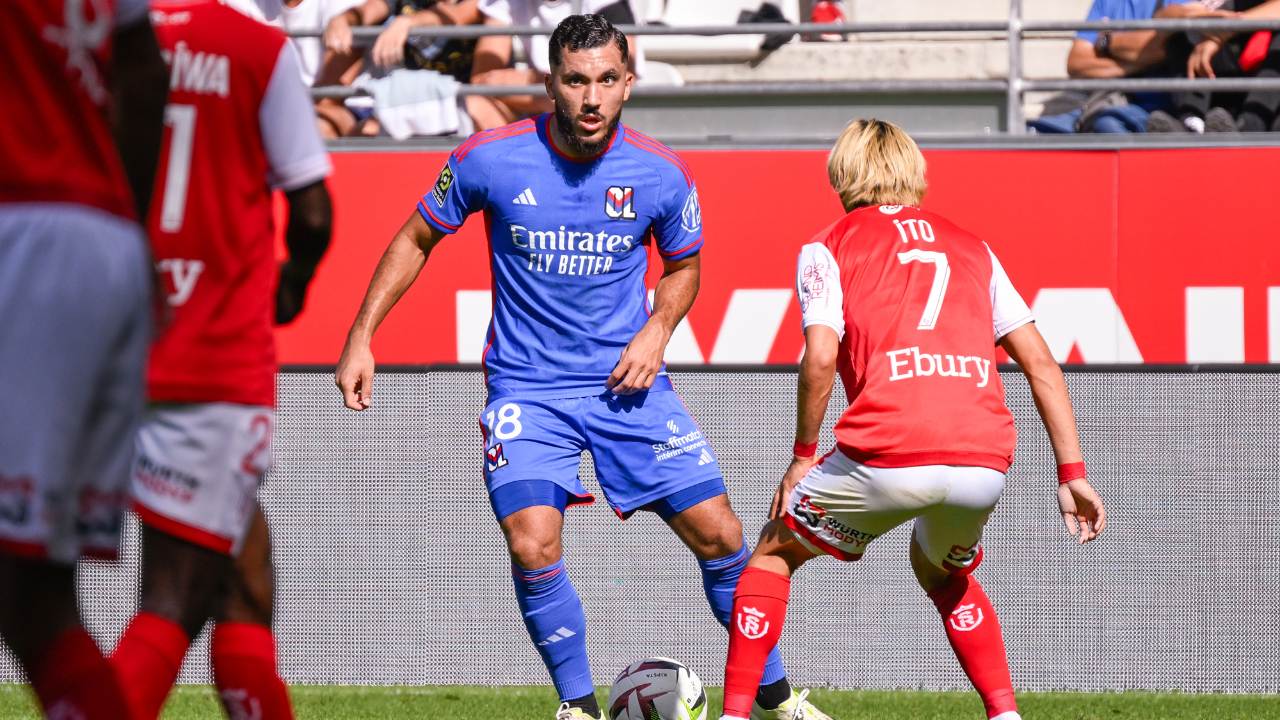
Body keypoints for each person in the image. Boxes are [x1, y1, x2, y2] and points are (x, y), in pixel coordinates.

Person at [335, 14, 829, 720]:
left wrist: (659, 327)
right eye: (575, 81)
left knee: (721, 534)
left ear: (629, 83)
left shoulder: (660, 172)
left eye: (605, 80)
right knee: (533, 543)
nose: (591, 97)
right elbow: (416, 236)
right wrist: (361, 334)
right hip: (528, 392)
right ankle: (578, 708)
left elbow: (685, 267)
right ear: (551, 83)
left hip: (628, 388)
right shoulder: (489, 159)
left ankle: (778, 701)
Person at [716, 119, 1108, 720]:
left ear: (842, 175)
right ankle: (1006, 714)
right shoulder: (975, 246)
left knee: (771, 556)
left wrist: (802, 455)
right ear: (916, 173)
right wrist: (1072, 472)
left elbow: (821, 355)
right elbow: (1042, 365)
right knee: (941, 571)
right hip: (983, 459)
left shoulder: (829, 245)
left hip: (889, 448)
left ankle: (736, 715)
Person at [105, 2, 334, 720]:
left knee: (243, 574)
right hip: (206, 358)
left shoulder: (99, 42)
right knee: (174, 596)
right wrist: (291, 283)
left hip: (106, 345)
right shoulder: (257, 50)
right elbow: (314, 212)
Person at [0, 0, 168, 718]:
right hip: (100, 238)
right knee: (34, 594)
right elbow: (145, 74)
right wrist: (125, 232)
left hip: (21, 225)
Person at [1044, 0, 1233, 133]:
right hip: (1107, 101)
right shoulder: (1105, 2)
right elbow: (1076, 63)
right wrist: (1136, 60)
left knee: (1108, 125)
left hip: (1160, 106)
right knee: (1037, 131)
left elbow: (1167, 46)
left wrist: (1106, 41)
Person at [467, 0, 641, 130]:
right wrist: (547, 88)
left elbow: (622, 76)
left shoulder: (606, 3)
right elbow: (482, 79)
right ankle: (506, 174)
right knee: (477, 103)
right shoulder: (508, 2)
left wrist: (541, 86)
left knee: (570, 101)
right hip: (548, 100)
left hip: (597, 108)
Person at [318, 0, 482, 136]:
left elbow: (460, 15)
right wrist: (342, 20)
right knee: (364, 132)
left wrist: (407, 22)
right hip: (412, 102)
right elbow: (365, 12)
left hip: (459, 103)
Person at [1155, 0, 1280, 132]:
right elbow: (1162, 18)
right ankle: (1192, 124)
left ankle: (1248, 128)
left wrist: (1227, 28)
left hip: (1266, 105)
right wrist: (1199, 21)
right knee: (1182, 29)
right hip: (1222, 96)